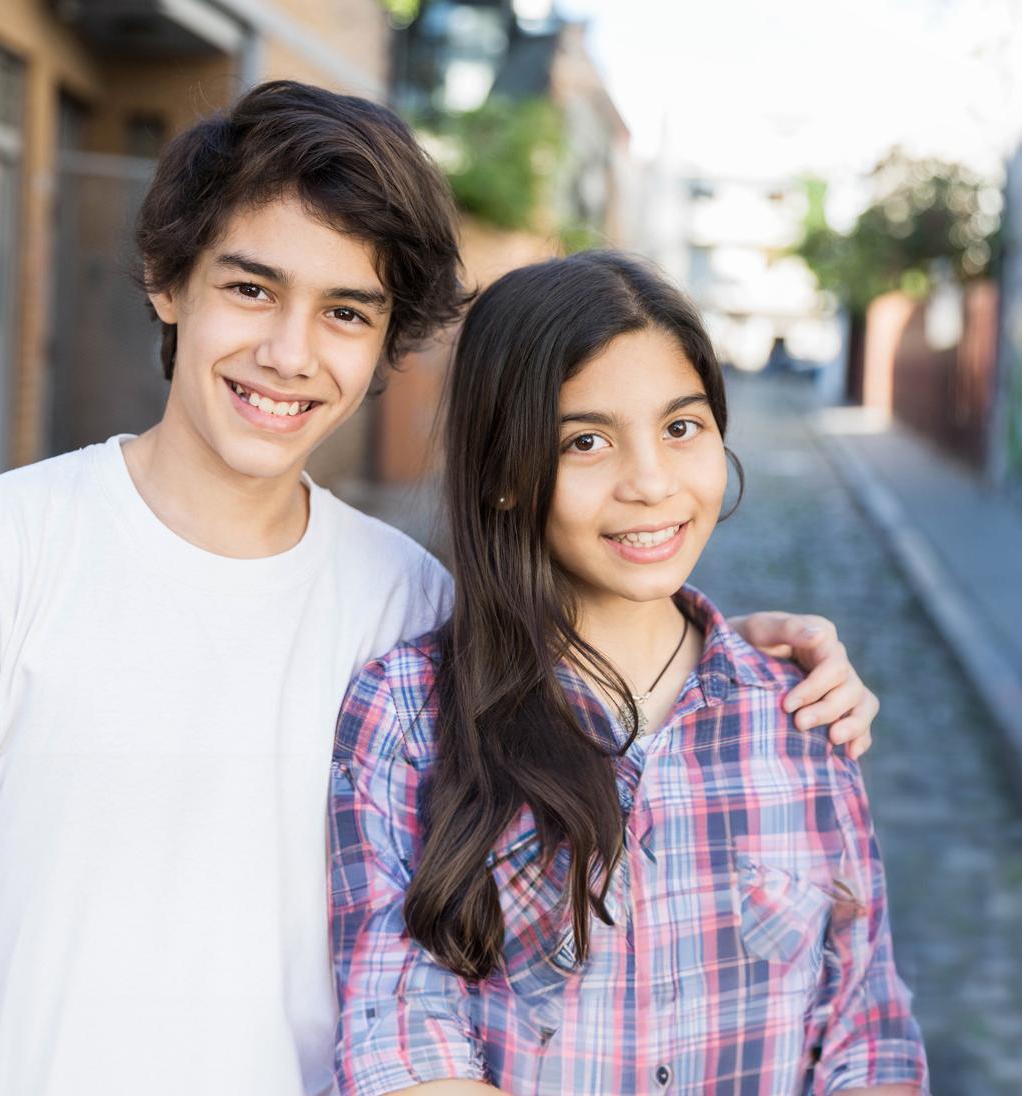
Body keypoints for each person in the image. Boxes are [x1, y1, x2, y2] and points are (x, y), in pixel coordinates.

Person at [0, 83, 881, 1096]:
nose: (289, 354)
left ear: (385, 342)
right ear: (167, 279)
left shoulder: (409, 603)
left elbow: (615, 682)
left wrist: (746, 656)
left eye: (344, 312)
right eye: (251, 289)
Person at [329, 251, 927, 1095]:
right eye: (587, 441)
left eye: (682, 427)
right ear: (504, 474)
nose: (649, 483)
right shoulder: (407, 714)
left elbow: (867, 1030)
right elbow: (401, 1042)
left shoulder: (804, 711)